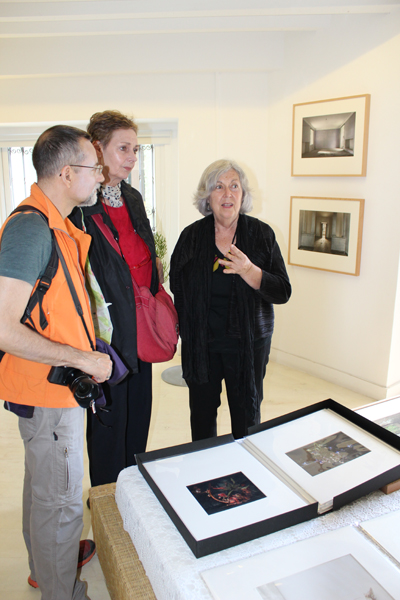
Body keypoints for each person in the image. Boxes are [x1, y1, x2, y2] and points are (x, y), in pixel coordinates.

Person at [0, 125, 112, 599]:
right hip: (49, 391)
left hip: (51, 387)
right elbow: (3, 327)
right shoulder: (31, 228)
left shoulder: (56, 224)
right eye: (94, 167)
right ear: (67, 173)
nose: (100, 174)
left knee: (43, 487)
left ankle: (44, 568)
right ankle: (61, 591)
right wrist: (82, 357)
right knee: (61, 501)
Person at [70, 110, 161, 488]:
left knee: (138, 420)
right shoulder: (79, 206)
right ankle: (108, 501)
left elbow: (144, 256)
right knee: (108, 428)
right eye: (123, 148)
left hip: (139, 331)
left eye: (135, 149)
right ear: (97, 149)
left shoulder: (133, 197)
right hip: (106, 339)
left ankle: (133, 493)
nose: (132, 156)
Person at [170, 159, 291, 441]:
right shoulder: (191, 237)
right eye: (219, 187)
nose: (227, 194)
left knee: (246, 417)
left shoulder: (261, 235)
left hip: (248, 345)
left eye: (234, 186)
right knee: (201, 417)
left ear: (243, 194)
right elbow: (177, 285)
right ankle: (204, 471)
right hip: (202, 346)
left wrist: (250, 271)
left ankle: (246, 473)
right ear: (207, 197)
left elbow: (282, 291)